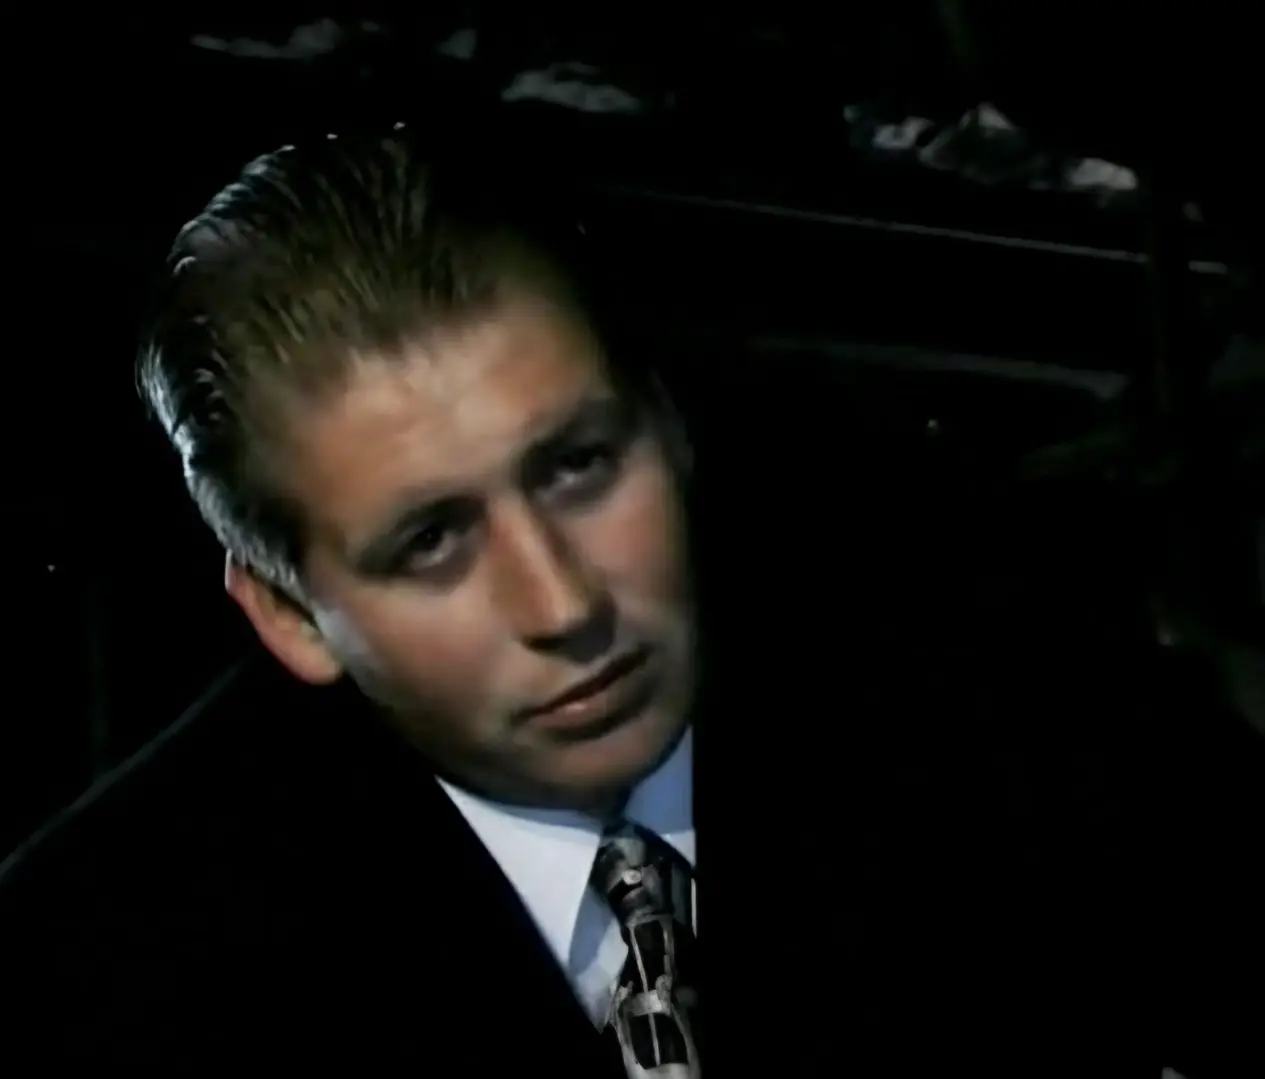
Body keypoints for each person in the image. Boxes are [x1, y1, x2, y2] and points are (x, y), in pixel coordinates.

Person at [1, 128, 1260, 1078]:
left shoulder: (1008, 682)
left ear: (667, 423)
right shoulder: (111, 970)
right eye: (431, 541)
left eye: (579, 466)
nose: (562, 601)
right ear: (287, 615)